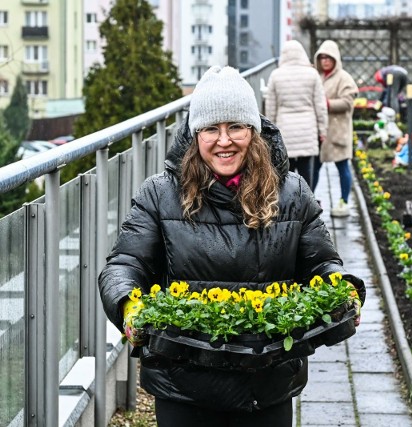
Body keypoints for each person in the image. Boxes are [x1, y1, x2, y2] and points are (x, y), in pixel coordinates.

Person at [98, 66, 365, 427]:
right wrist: (129, 303)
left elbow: (321, 263)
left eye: (235, 127)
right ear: (196, 135)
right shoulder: (160, 194)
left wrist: (340, 290)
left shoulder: (292, 193)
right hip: (183, 384)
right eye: (211, 129)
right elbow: (125, 263)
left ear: (253, 131)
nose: (224, 141)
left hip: (266, 381)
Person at [265, 40, 328, 189]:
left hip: (285, 130)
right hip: (307, 129)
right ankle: (308, 205)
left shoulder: (276, 75)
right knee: (307, 172)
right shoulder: (312, 74)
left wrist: (269, 133)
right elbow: (320, 105)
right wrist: (323, 130)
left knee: (286, 172)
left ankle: (290, 207)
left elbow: (271, 107)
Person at [313, 40, 359, 217]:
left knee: (342, 166)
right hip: (321, 131)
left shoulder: (344, 78)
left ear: (335, 59)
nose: (325, 61)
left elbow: (348, 102)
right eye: (322, 57)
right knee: (314, 167)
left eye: (328, 57)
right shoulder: (316, 76)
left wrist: (326, 104)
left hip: (338, 130)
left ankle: (344, 201)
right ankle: (310, 199)